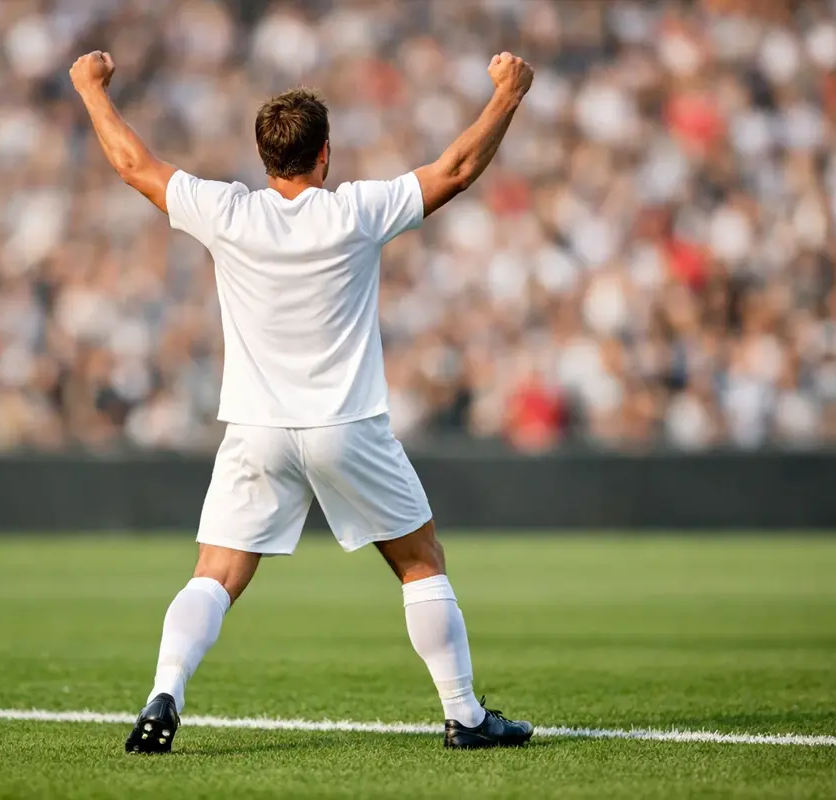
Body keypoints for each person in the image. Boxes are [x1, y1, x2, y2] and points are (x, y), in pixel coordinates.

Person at [70, 48, 536, 753]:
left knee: (214, 575)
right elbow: (457, 170)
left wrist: (90, 89)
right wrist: (507, 94)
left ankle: (164, 692)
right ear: (325, 153)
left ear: (264, 158)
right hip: (345, 424)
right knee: (419, 561)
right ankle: (465, 716)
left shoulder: (228, 212)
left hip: (256, 427)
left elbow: (134, 165)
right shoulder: (354, 211)